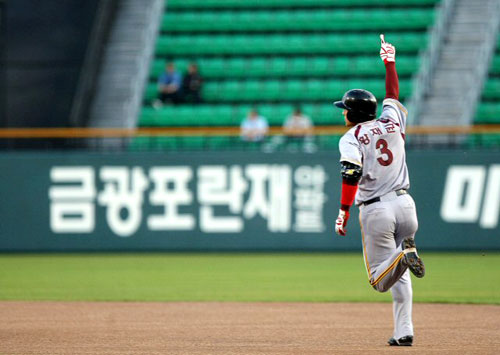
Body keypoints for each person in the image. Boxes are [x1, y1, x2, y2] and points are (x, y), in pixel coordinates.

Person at [333, 34, 425, 347]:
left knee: (380, 280)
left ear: (352, 113)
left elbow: (351, 174)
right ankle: (404, 331)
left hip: (376, 210)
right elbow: (393, 93)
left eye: (344, 109)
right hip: (406, 206)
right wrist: (390, 62)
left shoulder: (351, 137)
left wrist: (343, 212)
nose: (342, 113)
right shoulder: (392, 120)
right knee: (400, 275)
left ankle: (403, 255)